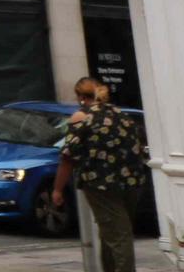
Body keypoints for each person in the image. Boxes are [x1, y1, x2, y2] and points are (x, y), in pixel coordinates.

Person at [52, 77, 148, 272]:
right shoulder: (121, 115)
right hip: (132, 181)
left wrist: (57, 190)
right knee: (111, 232)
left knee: (119, 235)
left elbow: (68, 157)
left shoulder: (82, 118)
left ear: (80, 97)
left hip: (101, 184)